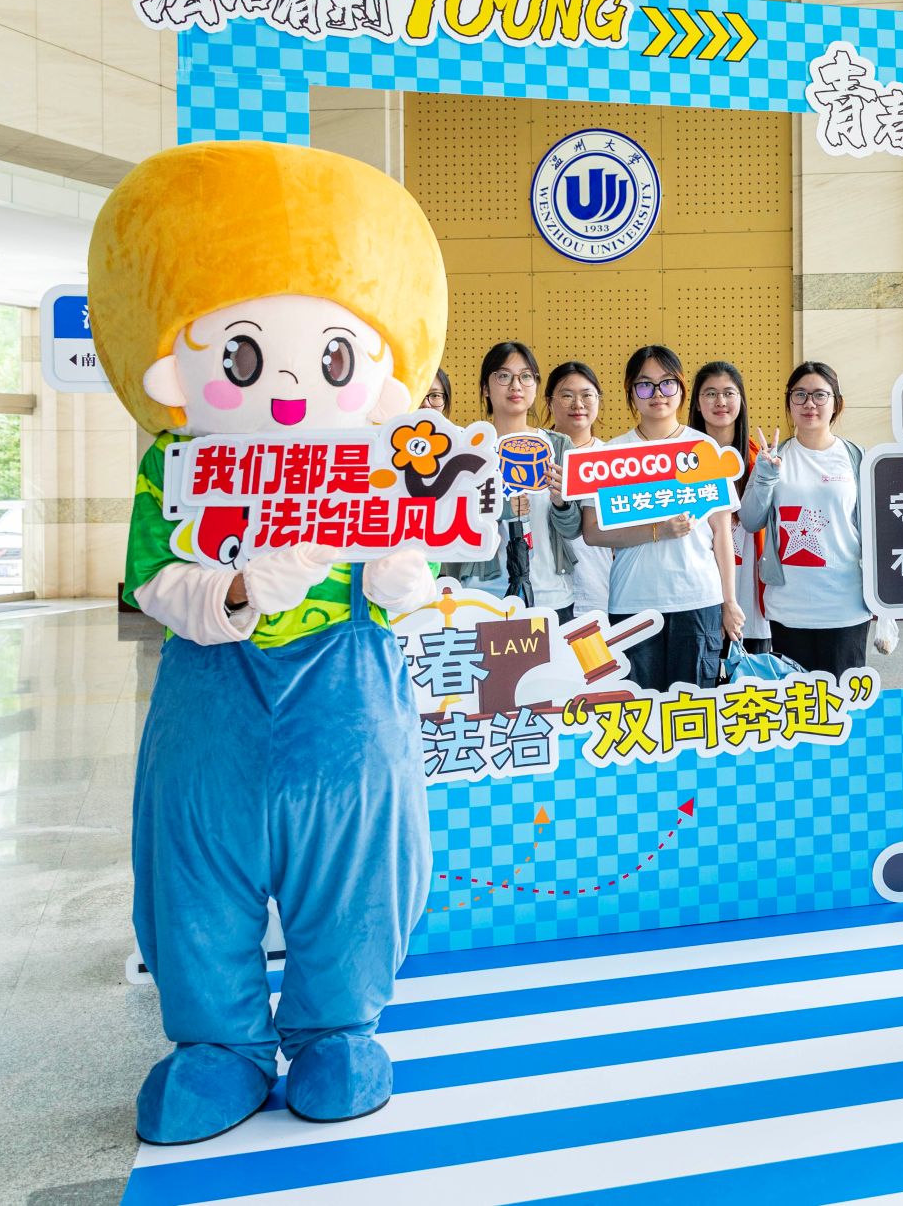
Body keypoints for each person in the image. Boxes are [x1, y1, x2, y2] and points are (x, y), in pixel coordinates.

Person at [90, 140, 445, 1141]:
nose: (289, 385)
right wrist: (240, 587)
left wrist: (403, 566)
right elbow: (153, 580)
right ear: (180, 363)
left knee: (360, 861)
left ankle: (336, 1028)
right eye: (242, 356)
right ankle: (220, 1044)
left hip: (348, 681)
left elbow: (414, 576)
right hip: (212, 688)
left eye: (330, 358)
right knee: (195, 863)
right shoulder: (174, 465)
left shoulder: (384, 461)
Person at [584, 345, 742, 688]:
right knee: (639, 708)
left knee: (693, 708)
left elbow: (722, 534)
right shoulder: (611, 454)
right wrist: (656, 530)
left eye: (667, 383)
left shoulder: (704, 449)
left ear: (682, 389)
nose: (657, 393)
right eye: (645, 385)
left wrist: (729, 601)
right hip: (633, 600)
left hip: (698, 599)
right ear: (631, 392)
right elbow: (593, 532)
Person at [738, 362, 877, 676]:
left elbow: (876, 528)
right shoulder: (774, 458)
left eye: (819, 395)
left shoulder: (857, 458)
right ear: (789, 403)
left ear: (836, 403)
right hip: (789, 608)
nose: (809, 403)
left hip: (846, 606)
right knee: (795, 704)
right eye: (799, 395)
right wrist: (765, 476)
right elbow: (750, 520)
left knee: (842, 701)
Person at [448, 342, 582, 614]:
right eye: (503, 376)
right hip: (483, 595)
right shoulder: (467, 447)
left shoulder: (558, 446)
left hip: (551, 595)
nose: (516, 386)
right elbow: (449, 522)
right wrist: (498, 509)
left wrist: (562, 504)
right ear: (485, 388)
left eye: (526, 376)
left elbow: (574, 529)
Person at [689, 360, 772, 653]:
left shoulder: (761, 459)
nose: (720, 401)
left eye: (728, 393)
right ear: (697, 403)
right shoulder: (680, 464)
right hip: (698, 599)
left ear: (741, 401)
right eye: (710, 393)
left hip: (751, 607)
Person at [547, 360, 612, 620]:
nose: (578, 404)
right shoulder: (535, 455)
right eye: (566, 396)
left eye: (587, 395)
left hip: (600, 591)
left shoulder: (612, 459)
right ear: (549, 402)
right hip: (545, 593)